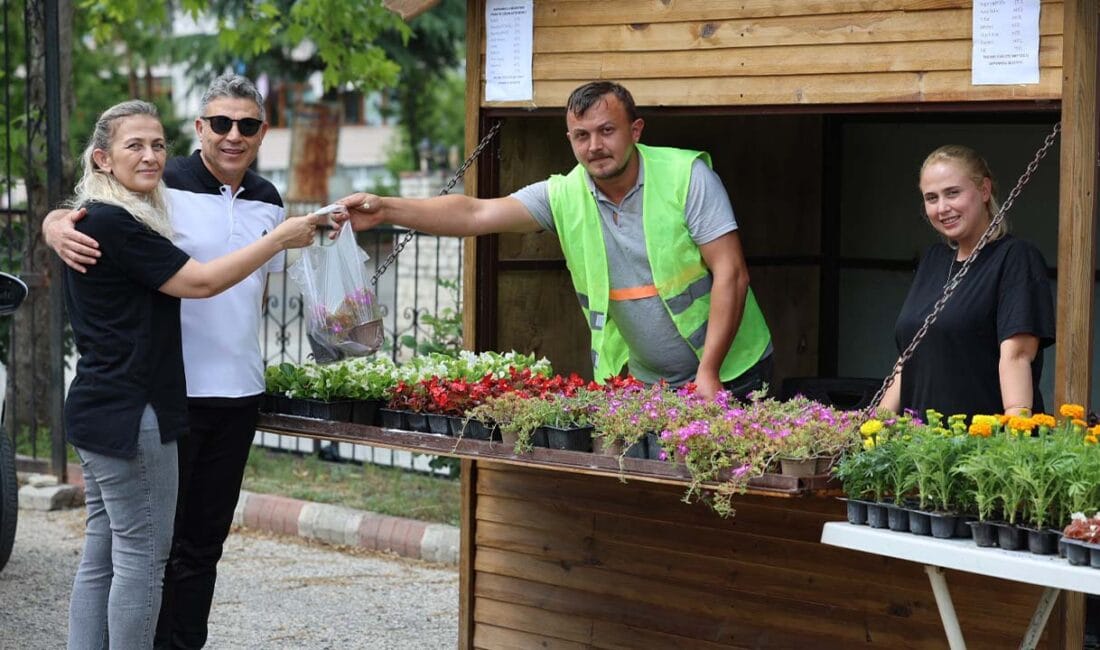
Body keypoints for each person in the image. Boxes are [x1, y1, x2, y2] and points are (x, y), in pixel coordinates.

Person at [45, 74, 292, 649]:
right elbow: (196, 279)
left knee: (191, 547)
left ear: (262, 132)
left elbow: (258, 292)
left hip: (231, 393)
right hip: (160, 398)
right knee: (148, 552)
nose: (234, 135)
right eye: (221, 123)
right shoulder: (155, 194)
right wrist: (54, 222)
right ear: (200, 128)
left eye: (248, 125)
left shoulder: (266, 201)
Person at [334, 80, 772, 399]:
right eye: (582, 136)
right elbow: (476, 211)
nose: (594, 146)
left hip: (732, 370)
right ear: (569, 139)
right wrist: (387, 208)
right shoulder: (564, 193)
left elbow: (731, 273)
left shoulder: (687, 177)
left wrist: (709, 372)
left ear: (635, 130)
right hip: (644, 380)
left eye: (606, 131)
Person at [881, 144, 1055, 417]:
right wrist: (875, 427)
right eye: (931, 197)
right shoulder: (933, 260)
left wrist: (1013, 440)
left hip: (981, 447)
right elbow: (909, 360)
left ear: (984, 191)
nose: (942, 208)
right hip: (920, 447)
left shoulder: (1015, 257)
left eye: (953, 193)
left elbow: (1017, 356)